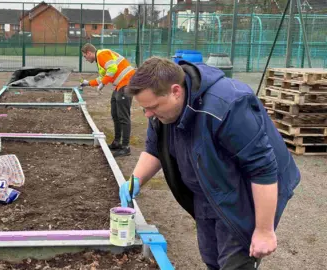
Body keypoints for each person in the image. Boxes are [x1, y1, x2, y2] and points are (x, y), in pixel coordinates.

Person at [119, 57, 301, 269]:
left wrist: (264, 231)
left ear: (176, 91)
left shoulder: (227, 106)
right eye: (145, 108)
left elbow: (262, 169)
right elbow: (155, 149)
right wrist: (134, 181)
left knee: (234, 263)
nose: (148, 114)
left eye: (152, 107)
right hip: (208, 190)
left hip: (244, 194)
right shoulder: (161, 113)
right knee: (211, 257)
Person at [80, 43, 135, 157]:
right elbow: (103, 77)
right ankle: (116, 142)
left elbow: (112, 69)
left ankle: (125, 147)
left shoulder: (102, 54)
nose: (85, 59)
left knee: (123, 116)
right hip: (120, 85)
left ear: (89, 53)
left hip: (126, 83)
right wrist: (88, 83)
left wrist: (103, 83)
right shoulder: (100, 60)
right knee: (115, 113)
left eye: (85, 56)